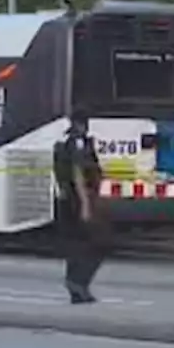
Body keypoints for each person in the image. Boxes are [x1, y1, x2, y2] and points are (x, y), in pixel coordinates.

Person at [53, 109, 107, 304]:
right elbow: (77, 174)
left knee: (77, 245)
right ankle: (78, 283)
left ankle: (77, 287)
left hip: (68, 200)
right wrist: (85, 204)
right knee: (97, 243)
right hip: (78, 200)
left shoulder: (67, 142)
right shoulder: (78, 142)